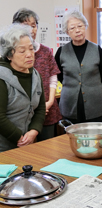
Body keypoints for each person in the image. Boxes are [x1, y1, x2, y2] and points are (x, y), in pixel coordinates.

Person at [12, 8, 61, 141]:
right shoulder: (12, 54)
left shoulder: (45, 51)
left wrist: (50, 102)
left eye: (33, 26)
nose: (31, 30)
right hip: (22, 113)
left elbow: (53, 79)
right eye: (26, 26)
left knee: (48, 150)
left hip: (47, 109)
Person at [55, 10, 102, 124]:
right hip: (69, 104)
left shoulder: (97, 50)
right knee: (71, 139)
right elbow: (59, 75)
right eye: (72, 28)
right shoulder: (61, 52)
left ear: (85, 26)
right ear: (67, 31)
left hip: (94, 104)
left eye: (80, 26)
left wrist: (91, 85)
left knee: (95, 139)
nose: (77, 30)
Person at [0, 24, 45, 152]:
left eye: (31, 49)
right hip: (3, 147)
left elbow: (41, 108)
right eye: (22, 51)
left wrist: (34, 131)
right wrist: (18, 137)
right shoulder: (2, 77)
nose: (29, 54)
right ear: (9, 55)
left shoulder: (35, 75)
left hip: (26, 144)